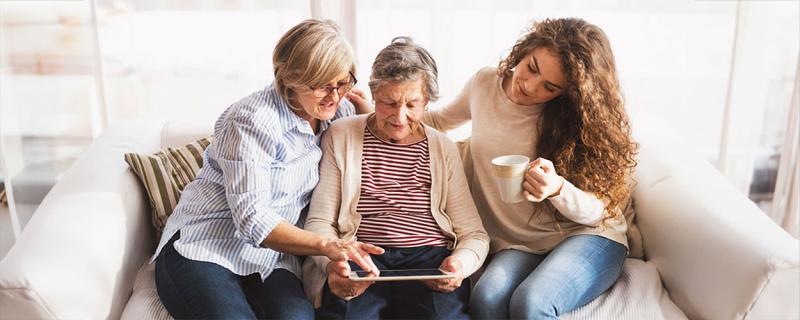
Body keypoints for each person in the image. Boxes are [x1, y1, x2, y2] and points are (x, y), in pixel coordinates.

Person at [152, 19, 383, 319]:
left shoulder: (340, 110)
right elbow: (253, 219)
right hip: (204, 245)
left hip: (272, 259)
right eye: (322, 85)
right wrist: (328, 245)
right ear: (289, 77)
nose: (335, 95)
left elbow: (384, 143)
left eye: (343, 82)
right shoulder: (251, 119)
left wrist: (368, 116)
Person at [419, 18, 642, 319]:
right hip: (520, 242)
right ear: (524, 50)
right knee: (486, 299)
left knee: (531, 302)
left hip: (588, 235)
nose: (529, 85)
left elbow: (597, 212)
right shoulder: (485, 84)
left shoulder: (573, 119)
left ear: (567, 93)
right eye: (532, 68)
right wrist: (375, 114)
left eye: (550, 87)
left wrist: (558, 188)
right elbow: (437, 122)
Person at [302, 37, 490, 320]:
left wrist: (459, 265)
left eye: (412, 104)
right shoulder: (341, 136)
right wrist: (334, 262)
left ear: (427, 100)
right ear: (373, 93)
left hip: (429, 260)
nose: (399, 117)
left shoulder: (442, 148)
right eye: (389, 103)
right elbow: (319, 222)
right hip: (361, 255)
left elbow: (474, 235)